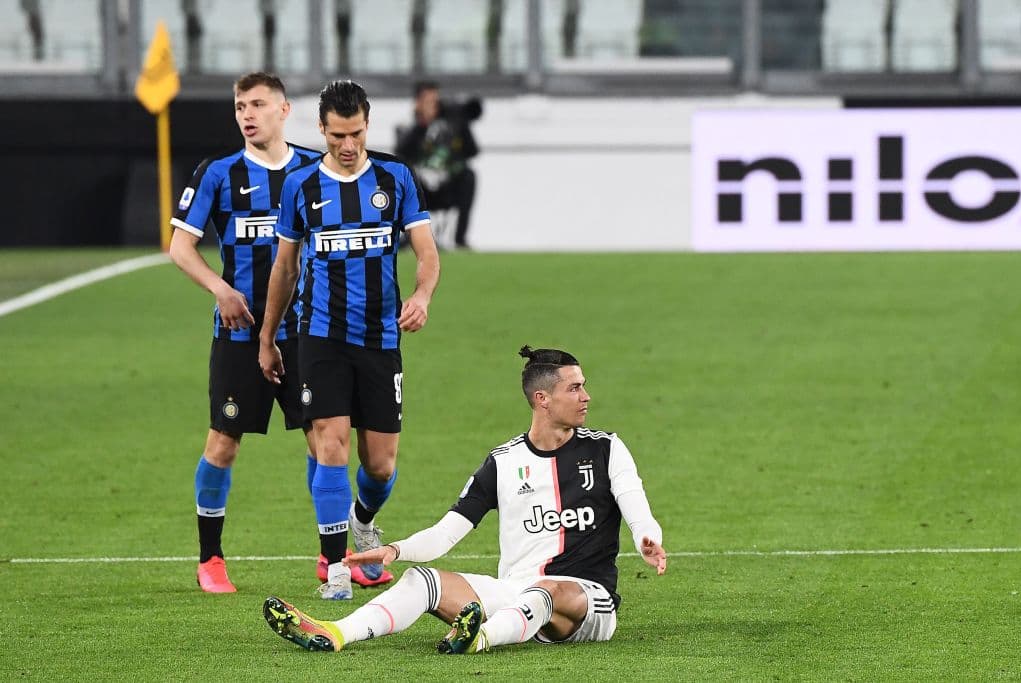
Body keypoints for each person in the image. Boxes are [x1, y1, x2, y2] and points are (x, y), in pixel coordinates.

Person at [262, 345, 667, 653]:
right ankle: (335, 632)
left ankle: (479, 638)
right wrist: (396, 550)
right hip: (516, 596)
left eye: (583, 386)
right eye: (574, 388)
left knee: (548, 591)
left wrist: (647, 538)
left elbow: (637, 507)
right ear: (542, 399)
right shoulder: (503, 462)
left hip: (586, 600)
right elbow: (447, 532)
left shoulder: (606, 449)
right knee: (421, 581)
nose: (586, 396)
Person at [259, 79, 441, 601]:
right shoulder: (300, 186)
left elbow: (426, 253)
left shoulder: (395, 177)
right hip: (320, 336)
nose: (347, 144)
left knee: (380, 466)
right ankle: (336, 567)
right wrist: (268, 337)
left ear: (367, 125)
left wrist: (422, 296)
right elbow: (285, 268)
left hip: (380, 338)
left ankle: (362, 519)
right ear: (321, 128)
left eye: (356, 133)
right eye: (337, 135)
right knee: (331, 444)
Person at [168, 72, 322, 593]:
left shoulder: (315, 169)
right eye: (239, 106)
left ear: (284, 109)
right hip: (240, 334)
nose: (247, 115)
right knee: (223, 442)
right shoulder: (217, 173)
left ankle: (335, 556)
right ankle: (210, 559)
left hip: (306, 332)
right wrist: (220, 289)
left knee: (325, 440)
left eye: (257, 104)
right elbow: (180, 247)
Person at [395, 80, 479, 250]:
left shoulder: (453, 120)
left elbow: (472, 150)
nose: (433, 105)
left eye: (435, 100)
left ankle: (460, 239)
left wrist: (460, 126)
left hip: (448, 185)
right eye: (427, 101)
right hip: (422, 188)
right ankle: (407, 236)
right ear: (417, 102)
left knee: (468, 176)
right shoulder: (407, 125)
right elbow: (401, 153)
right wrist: (422, 125)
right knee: (402, 178)